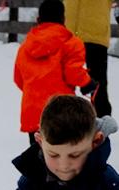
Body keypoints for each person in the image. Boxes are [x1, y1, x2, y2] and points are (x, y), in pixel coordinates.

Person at [14, 1, 92, 139]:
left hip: (33, 113)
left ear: (38, 19)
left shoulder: (26, 46)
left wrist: (35, 91)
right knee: (60, 157)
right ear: (63, 19)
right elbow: (73, 73)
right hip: (62, 112)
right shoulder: (71, 43)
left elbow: (18, 79)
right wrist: (88, 83)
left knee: (38, 156)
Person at [67, 0, 111, 117]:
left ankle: (102, 129)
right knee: (62, 84)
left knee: (98, 87)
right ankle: (62, 125)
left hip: (95, 35)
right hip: (68, 34)